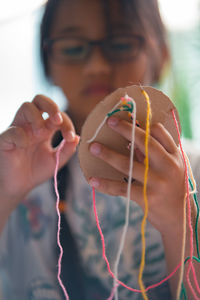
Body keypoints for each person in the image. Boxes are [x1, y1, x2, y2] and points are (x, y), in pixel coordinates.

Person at [0, 0, 199, 299]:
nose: (97, 66)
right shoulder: (17, 176)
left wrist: (177, 224)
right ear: (47, 60)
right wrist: (5, 194)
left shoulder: (194, 173)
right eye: (71, 47)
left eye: (120, 44)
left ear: (162, 54)